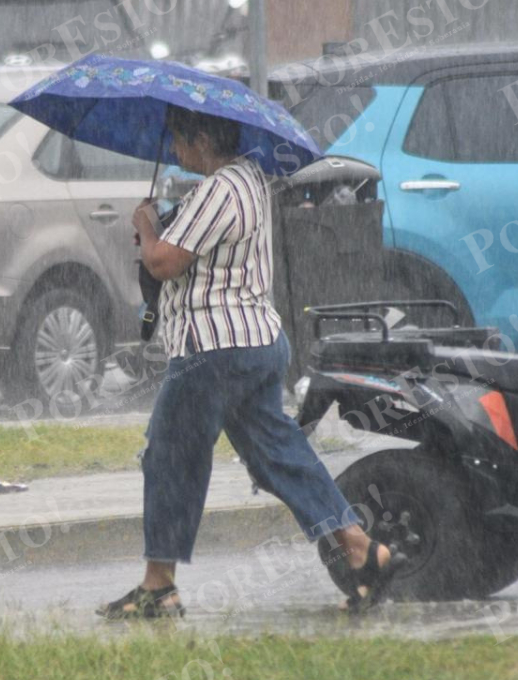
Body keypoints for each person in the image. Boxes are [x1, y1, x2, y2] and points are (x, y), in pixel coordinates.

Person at [97, 105, 406, 619]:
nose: (175, 151)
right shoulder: (251, 181)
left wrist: (147, 227)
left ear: (202, 138)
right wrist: (162, 231)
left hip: (214, 349)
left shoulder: (219, 189)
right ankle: (360, 549)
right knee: (278, 457)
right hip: (256, 343)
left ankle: (159, 587)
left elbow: (164, 262)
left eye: (179, 140)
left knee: (169, 457)